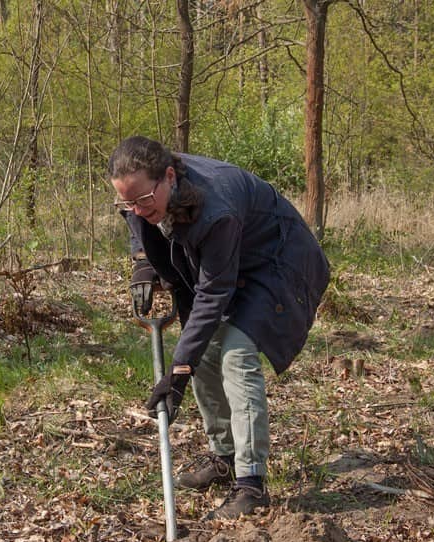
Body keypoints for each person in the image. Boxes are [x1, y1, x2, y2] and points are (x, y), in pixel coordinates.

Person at [109, 136, 329, 520]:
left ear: (170, 177)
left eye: (143, 201)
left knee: (235, 353)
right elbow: (138, 222)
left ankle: (251, 483)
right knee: (203, 353)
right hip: (227, 261)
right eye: (126, 203)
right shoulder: (139, 193)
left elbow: (214, 294)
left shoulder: (216, 207)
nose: (136, 210)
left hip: (275, 262)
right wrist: (143, 260)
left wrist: (177, 371)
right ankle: (224, 456)